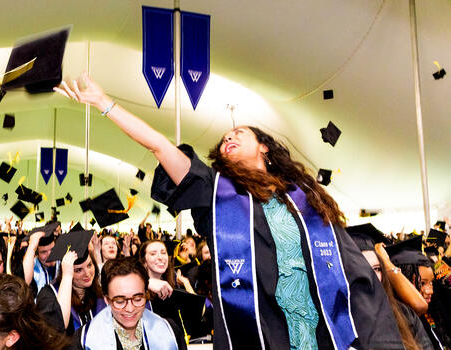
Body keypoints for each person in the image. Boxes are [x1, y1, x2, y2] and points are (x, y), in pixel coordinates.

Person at [56, 74, 403, 349]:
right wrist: (104, 103)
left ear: (264, 146)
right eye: (224, 140)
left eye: (239, 133)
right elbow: (159, 145)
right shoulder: (218, 194)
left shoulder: (306, 197)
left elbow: (348, 269)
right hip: (261, 331)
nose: (229, 139)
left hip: (319, 329)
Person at [70, 257, 187, 350]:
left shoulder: (169, 331)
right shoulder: (86, 340)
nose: (130, 309)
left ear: (146, 294)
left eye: (137, 299)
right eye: (120, 301)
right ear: (107, 300)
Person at [37, 250, 105, 336]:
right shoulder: (49, 294)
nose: (87, 273)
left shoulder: (99, 292)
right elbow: (57, 327)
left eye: (89, 265)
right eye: (78, 270)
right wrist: (67, 276)